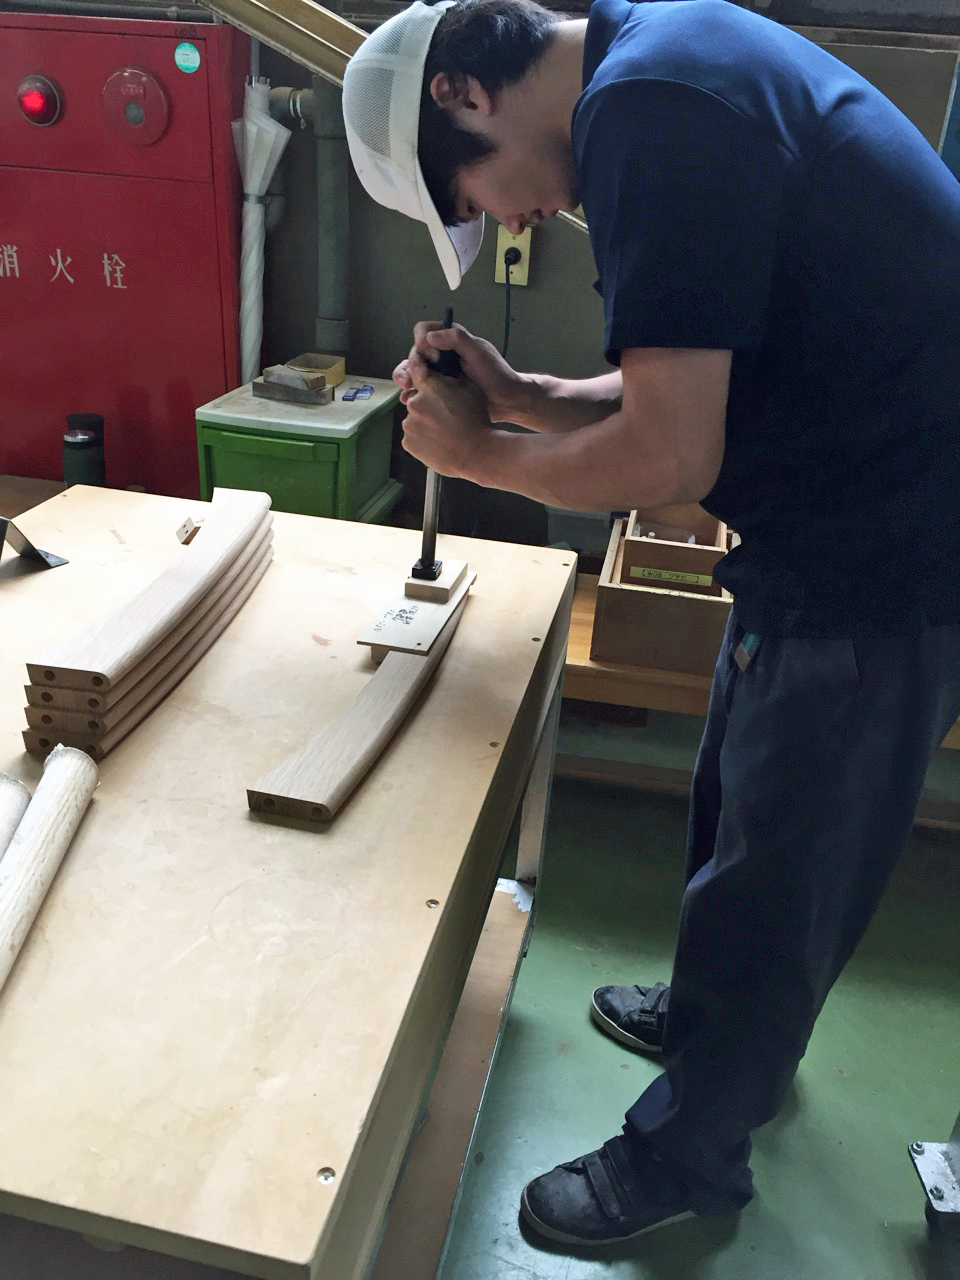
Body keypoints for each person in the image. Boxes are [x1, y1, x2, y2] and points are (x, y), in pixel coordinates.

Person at [342, 0, 960, 1252]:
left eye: (473, 199)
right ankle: (718, 1028)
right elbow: (695, 360)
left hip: (891, 542)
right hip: (833, 513)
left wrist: (489, 455)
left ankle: (689, 1155)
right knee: (742, 794)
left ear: (464, 90)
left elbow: (675, 450)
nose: (505, 223)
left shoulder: (653, 113)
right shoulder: (661, 66)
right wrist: (530, 396)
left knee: (783, 854)